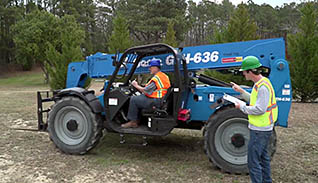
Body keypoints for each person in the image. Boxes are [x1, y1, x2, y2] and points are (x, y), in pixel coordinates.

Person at [231, 56, 278, 183]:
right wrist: (241, 91)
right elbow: (255, 100)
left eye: (244, 72)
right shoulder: (262, 83)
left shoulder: (262, 87)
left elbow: (259, 109)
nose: (243, 74)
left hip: (260, 130)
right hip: (263, 128)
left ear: (251, 72)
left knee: (253, 162)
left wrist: (242, 107)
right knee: (263, 158)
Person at [121, 58, 171, 128]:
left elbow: (145, 91)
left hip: (156, 101)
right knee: (138, 98)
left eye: (150, 67)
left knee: (133, 99)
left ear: (155, 67)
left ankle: (133, 122)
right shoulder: (163, 76)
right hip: (160, 99)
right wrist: (139, 86)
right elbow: (150, 88)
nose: (149, 69)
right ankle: (137, 119)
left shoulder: (156, 78)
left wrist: (135, 85)